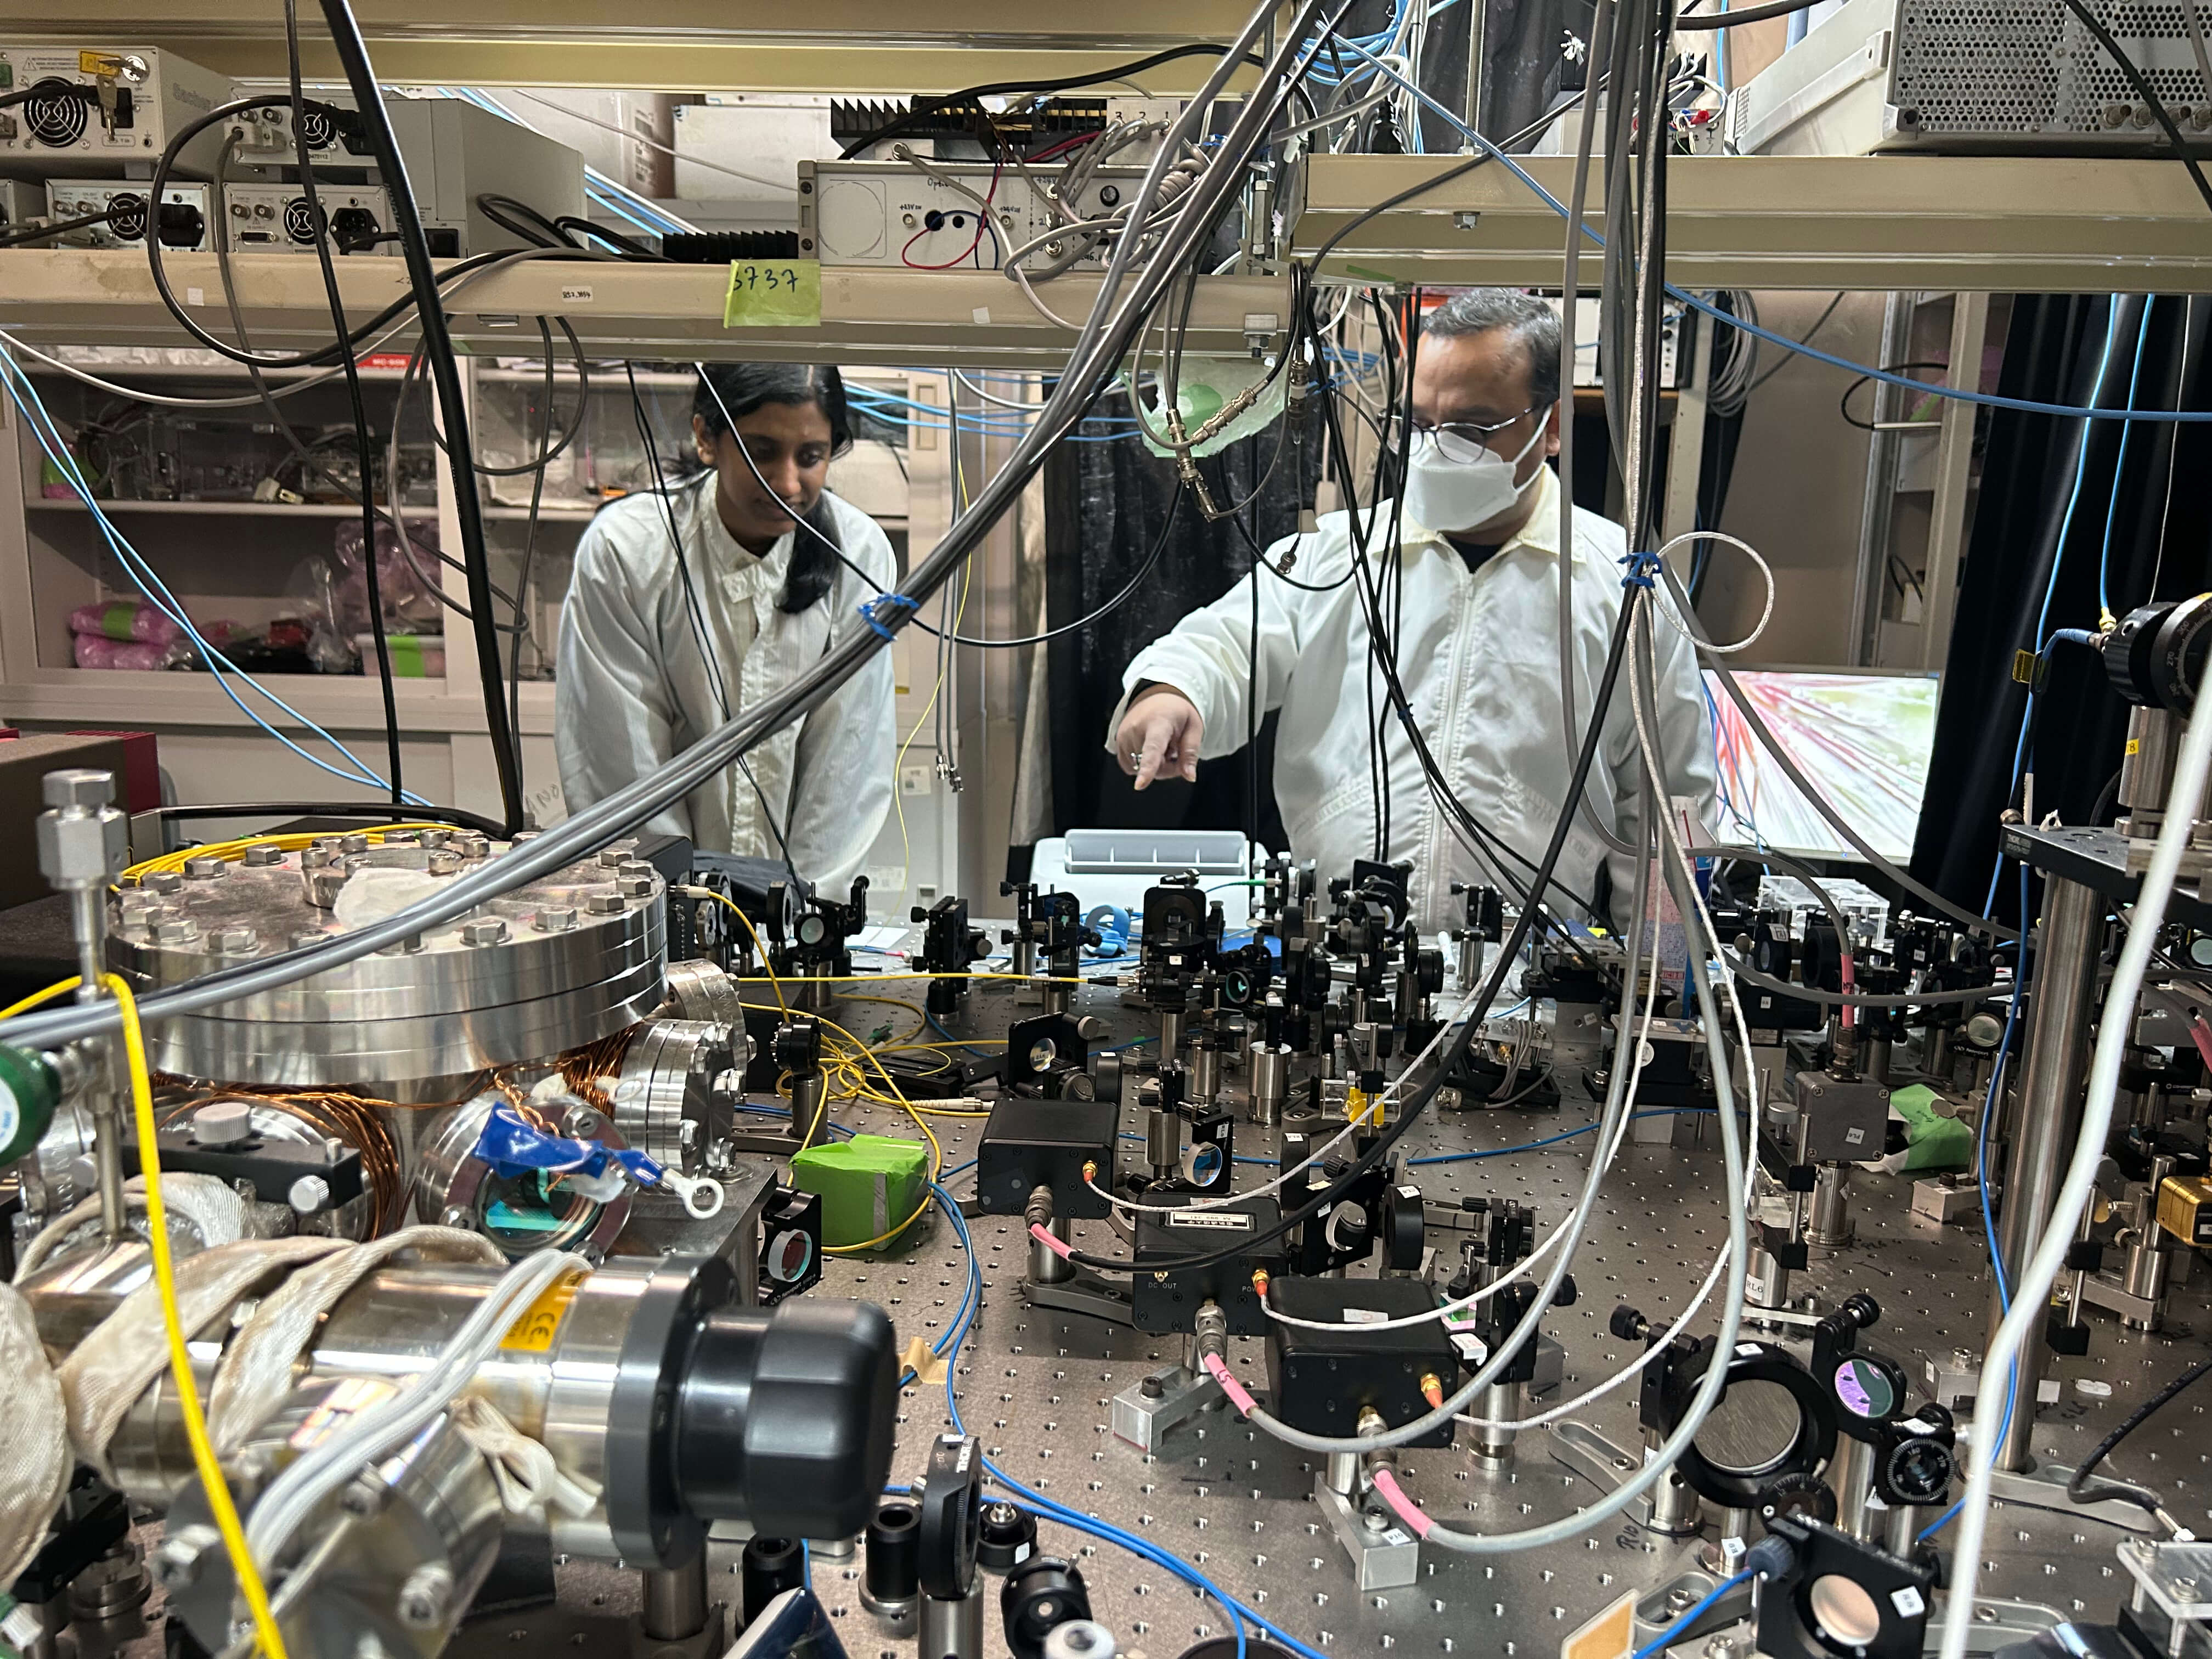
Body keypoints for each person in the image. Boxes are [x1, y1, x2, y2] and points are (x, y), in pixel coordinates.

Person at [1108, 288, 1716, 933]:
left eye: (1472, 428)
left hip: (1528, 966)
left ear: (1553, 426)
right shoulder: (1337, 555)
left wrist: (1663, 966)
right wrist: (1171, 692)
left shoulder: (1625, 589)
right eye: (1421, 425)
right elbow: (1227, 646)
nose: (1437, 450)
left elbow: (1669, 806)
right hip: (1338, 953)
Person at [558, 362, 896, 891]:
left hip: (800, 909)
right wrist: (679, 904)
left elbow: (845, 763)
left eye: (811, 456)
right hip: (658, 899)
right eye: (762, 452)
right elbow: (621, 765)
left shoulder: (859, 555)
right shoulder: (628, 551)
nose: (787, 483)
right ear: (706, 438)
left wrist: (802, 911)